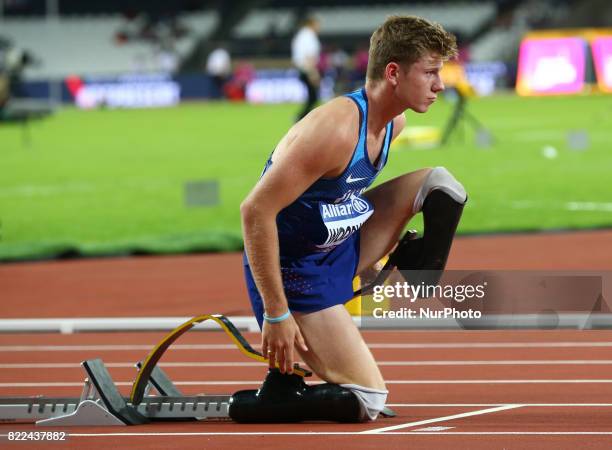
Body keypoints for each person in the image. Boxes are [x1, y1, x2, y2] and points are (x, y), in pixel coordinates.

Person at [232, 15, 467, 423]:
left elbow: (343, 196)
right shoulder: (335, 130)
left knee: (440, 185)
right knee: (367, 398)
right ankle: (269, 399)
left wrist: (379, 255)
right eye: (430, 72)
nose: (440, 84)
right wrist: (276, 312)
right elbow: (255, 210)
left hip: (335, 244)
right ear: (393, 72)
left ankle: (419, 272)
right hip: (294, 275)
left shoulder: (394, 123)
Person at [291, 16, 321, 122]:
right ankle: (301, 118)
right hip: (307, 70)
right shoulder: (309, 36)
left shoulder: (301, 35)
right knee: (313, 97)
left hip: (302, 69)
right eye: (317, 24)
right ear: (311, 24)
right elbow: (309, 55)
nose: (319, 27)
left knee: (312, 96)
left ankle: (303, 118)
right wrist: (313, 72)